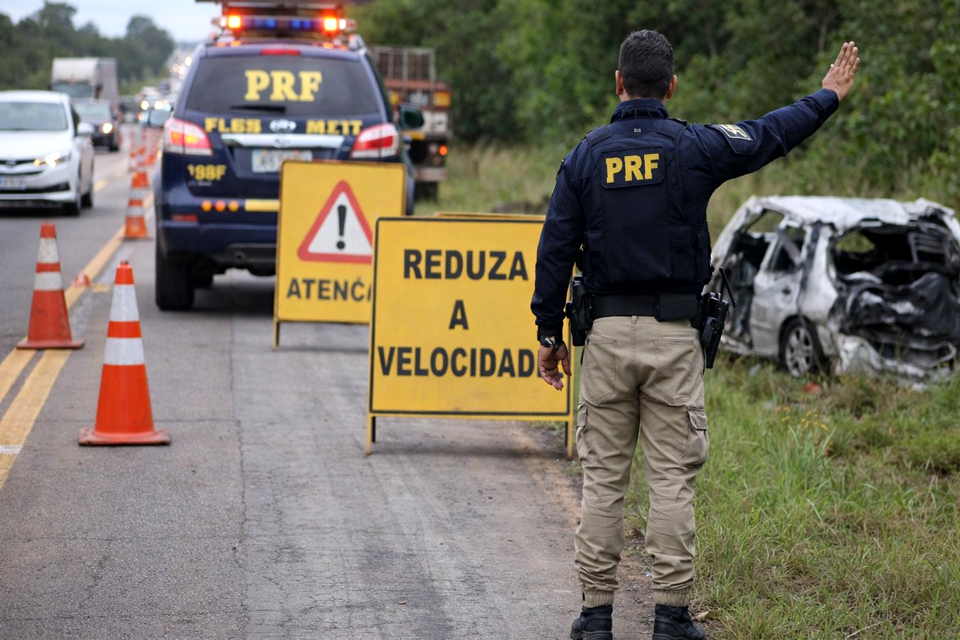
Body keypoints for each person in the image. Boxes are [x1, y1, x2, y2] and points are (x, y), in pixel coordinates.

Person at [531, 31, 860, 640]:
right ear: (672, 86)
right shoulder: (694, 147)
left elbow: (555, 248)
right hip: (674, 341)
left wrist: (548, 331)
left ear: (618, 83)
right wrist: (827, 97)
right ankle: (671, 618)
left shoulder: (585, 156)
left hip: (605, 339)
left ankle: (596, 617)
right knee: (670, 481)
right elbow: (768, 134)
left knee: (603, 480)